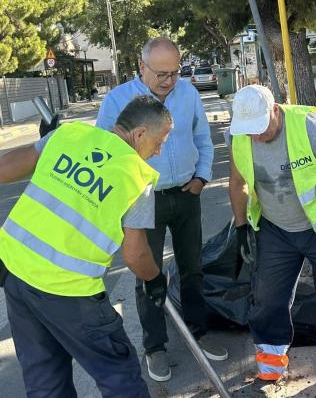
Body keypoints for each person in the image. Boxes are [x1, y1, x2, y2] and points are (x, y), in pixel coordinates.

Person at [0, 96, 173, 398]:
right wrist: (154, 279)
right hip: (69, 292)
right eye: (159, 141)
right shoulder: (136, 176)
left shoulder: (68, 136)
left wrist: (45, 145)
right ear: (140, 134)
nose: (159, 150)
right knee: (119, 376)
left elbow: (1, 172)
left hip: (16, 275)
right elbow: (136, 254)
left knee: (45, 380)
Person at [96, 37, 226, 382]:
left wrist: (202, 176)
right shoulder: (117, 100)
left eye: (175, 72)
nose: (169, 81)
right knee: (146, 275)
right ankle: (155, 347)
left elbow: (203, 137)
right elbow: (105, 150)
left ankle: (199, 331)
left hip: (186, 193)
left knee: (192, 268)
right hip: (142, 198)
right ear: (141, 68)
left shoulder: (189, 94)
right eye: (161, 74)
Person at [227, 85, 316, 382]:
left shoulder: (310, 129)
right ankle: (270, 360)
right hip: (275, 230)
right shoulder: (239, 137)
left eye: (260, 127)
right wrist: (241, 227)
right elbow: (237, 183)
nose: (255, 136)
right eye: (249, 130)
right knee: (267, 296)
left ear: (275, 111)